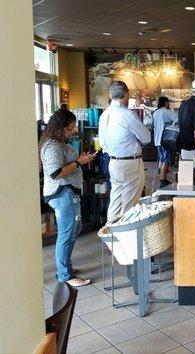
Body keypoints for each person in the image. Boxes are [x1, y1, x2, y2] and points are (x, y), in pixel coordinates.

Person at [40, 109, 95, 287]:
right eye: (69, 128)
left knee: (73, 228)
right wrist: (79, 162)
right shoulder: (52, 147)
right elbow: (56, 174)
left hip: (68, 191)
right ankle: (64, 274)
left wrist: (80, 159)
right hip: (61, 192)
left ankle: (66, 267)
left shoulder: (58, 143)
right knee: (66, 233)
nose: (73, 131)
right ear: (60, 128)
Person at [99, 81, 151, 222]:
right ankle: (126, 238)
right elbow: (146, 138)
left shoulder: (104, 115)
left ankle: (112, 237)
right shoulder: (127, 114)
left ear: (109, 95)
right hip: (130, 162)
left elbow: (102, 142)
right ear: (126, 95)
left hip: (113, 161)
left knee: (115, 201)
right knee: (130, 205)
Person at [153, 96, 178, 187]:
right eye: (168, 103)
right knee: (166, 159)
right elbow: (178, 119)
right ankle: (163, 179)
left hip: (157, 139)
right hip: (166, 139)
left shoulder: (155, 113)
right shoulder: (166, 112)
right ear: (166, 103)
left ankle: (162, 176)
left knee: (162, 158)